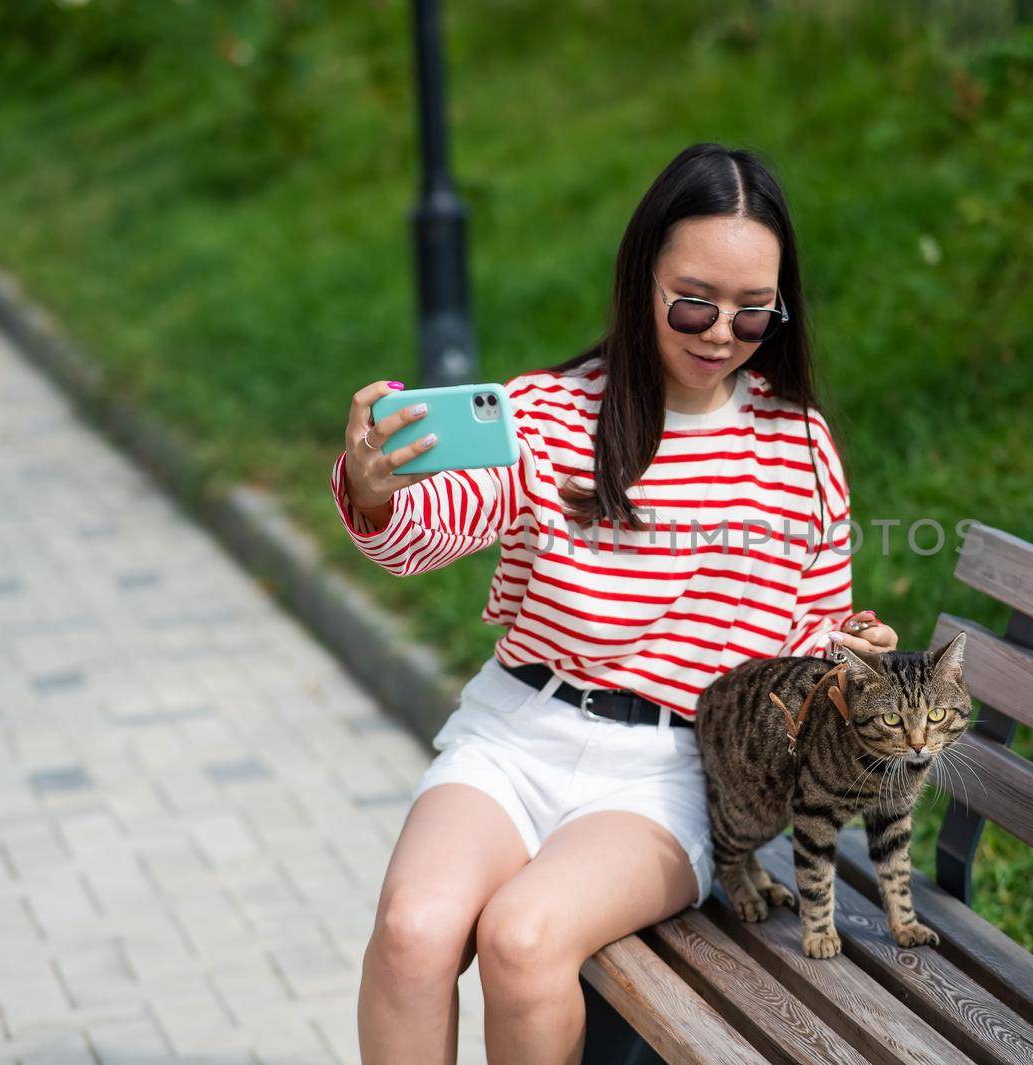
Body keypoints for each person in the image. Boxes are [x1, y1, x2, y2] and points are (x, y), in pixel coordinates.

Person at [334, 143, 897, 1065]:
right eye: (694, 301)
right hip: (519, 734)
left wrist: (847, 652)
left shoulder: (797, 446)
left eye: (755, 310)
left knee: (522, 936)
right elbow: (427, 529)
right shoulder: (554, 414)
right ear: (643, 280)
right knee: (411, 933)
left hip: (670, 770)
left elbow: (805, 636)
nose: (720, 332)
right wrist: (373, 488)